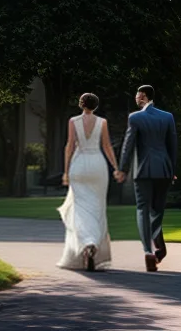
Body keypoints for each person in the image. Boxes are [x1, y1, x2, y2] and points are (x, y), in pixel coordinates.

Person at [117, 84, 177, 272]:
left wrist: (122, 168)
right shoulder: (167, 117)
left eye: (136, 94)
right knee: (157, 211)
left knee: (143, 209)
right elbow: (173, 146)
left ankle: (148, 251)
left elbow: (128, 145)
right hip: (164, 170)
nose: (135, 97)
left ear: (142, 96)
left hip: (143, 170)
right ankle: (160, 249)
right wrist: (172, 169)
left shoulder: (135, 117)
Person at [56, 92, 119, 271]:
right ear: (96, 106)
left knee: (80, 208)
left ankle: (86, 242)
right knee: (97, 208)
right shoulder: (102, 122)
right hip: (97, 165)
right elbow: (106, 146)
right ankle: (93, 244)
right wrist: (115, 167)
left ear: (81, 105)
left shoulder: (73, 121)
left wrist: (66, 172)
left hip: (79, 164)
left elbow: (69, 145)